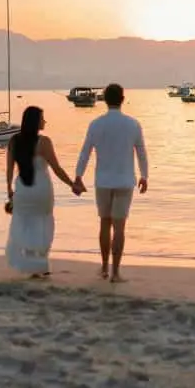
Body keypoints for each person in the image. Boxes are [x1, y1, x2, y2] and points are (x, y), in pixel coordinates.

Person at [73, 82, 148, 282]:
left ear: (104, 100)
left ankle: (104, 267)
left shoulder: (96, 124)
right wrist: (144, 176)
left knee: (104, 224)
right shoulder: (133, 124)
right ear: (122, 99)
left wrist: (78, 175)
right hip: (124, 181)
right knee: (120, 227)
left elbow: (85, 152)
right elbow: (141, 152)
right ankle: (115, 272)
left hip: (103, 181)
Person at [5, 106, 76, 278]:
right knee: (43, 224)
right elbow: (57, 169)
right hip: (42, 190)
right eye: (42, 118)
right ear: (35, 121)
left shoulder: (14, 141)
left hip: (23, 189)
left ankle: (30, 263)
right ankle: (42, 264)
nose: (44, 121)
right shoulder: (44, 142)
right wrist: (72, 184)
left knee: (26, 224)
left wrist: (9, 191)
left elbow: (9, 170)